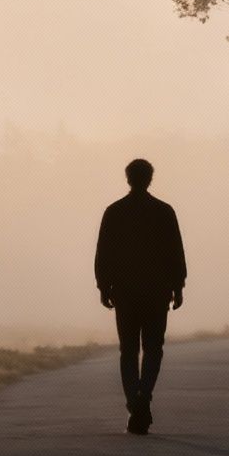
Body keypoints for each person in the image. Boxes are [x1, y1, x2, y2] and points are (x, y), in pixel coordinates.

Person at [93, 157, 187, 435]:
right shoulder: (164, 212)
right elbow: (175, 252)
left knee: (129, 350)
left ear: (128, 178)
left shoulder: (114, 212)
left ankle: (134, 401)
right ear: (150, 179)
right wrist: (178, 286)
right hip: (157, 293)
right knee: (153, 348)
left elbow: (104, 253)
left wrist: (103, 286)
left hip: (125, 292)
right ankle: (144, 395)